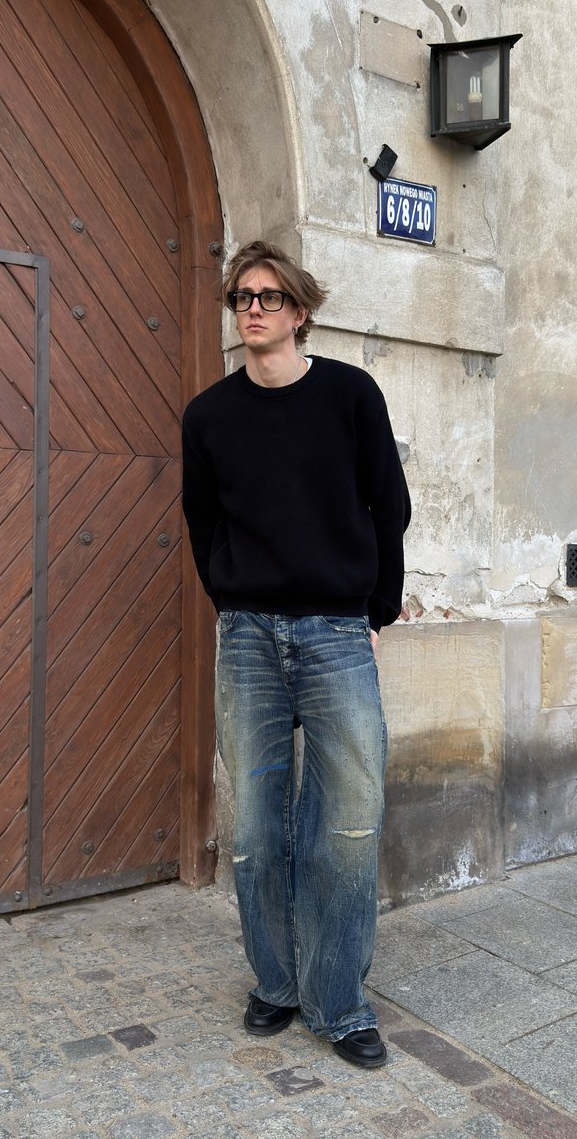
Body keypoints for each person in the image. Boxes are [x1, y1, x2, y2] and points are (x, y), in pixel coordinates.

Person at [181, 240, 411, 1068]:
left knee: (346, 823)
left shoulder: (350, 395)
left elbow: (390, 504)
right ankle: (278, 983)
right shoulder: (208, 417)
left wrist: (374, 609)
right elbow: (203, 524)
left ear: (300, 310)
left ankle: (338, 1000)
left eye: (269, 297)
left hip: (337, 631)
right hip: (247, 635)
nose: (252, 309)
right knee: (256, 824)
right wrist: (235, 597)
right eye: (241, 296)